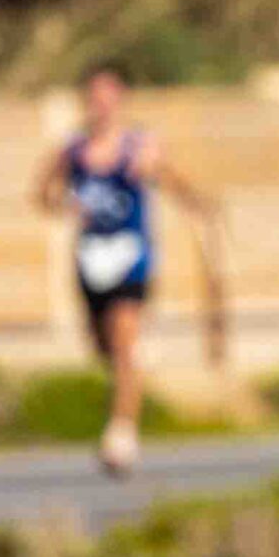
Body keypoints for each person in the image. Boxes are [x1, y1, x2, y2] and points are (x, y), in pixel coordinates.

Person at [33, 63, 220, 476]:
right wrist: (66, 206)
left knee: (123, 344)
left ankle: (121, 434)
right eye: (94, 98)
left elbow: (174, 181)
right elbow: (42, 195)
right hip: (90, 258)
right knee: (102, 346)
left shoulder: (140, 146)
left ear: (120, 101)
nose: (101, 106)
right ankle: (133, 363)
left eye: (108, 98)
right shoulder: (72, 150)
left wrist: (199, 205)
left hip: (130, 255)